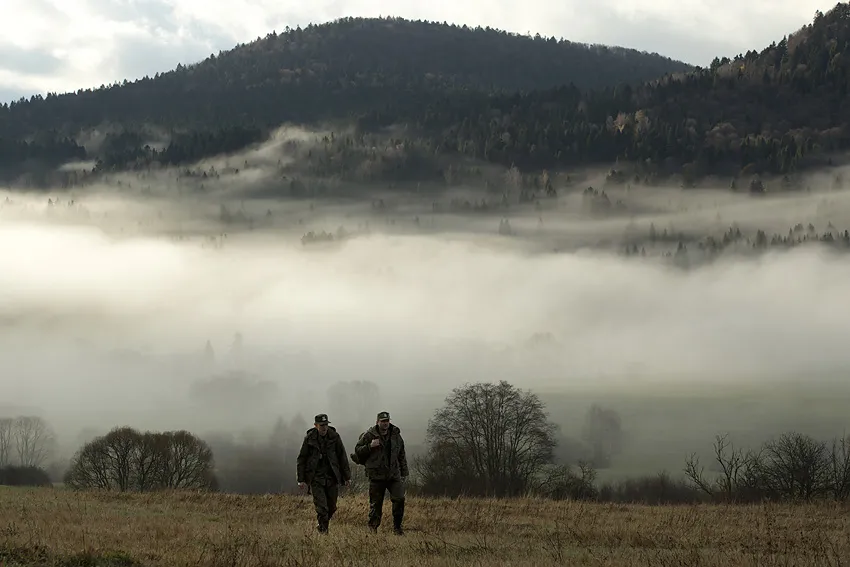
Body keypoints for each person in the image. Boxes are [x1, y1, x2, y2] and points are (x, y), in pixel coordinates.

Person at [353, 411, 408, 535]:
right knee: (376, 504)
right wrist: (369, 446)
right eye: (382, 421)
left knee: (399, 499)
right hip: (376, 475)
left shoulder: (396, 435)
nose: (385, 424)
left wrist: (404, 472)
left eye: (387, 421)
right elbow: (357, 451)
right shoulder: (369, 435)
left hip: (394, 474)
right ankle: (373, 529)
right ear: (377, 422)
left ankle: (397, 528)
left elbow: (401, 454)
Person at [296, 414, 351, 533]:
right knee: (322, 508)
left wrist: (347, 477)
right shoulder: (309, 438)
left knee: (332, 507)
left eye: (326, 425)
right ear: (316, 426)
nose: (324, 428)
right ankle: (323, 532)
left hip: (332, 477)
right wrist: (301, 479)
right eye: (322, 425)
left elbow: (342, 457)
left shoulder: (335, 437)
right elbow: (302, 459)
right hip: (316, 478)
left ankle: (321, 524)